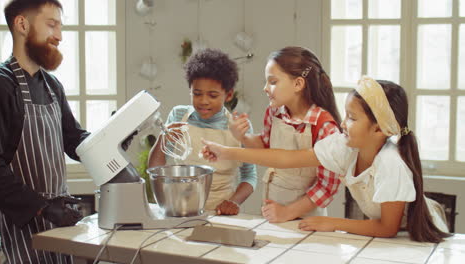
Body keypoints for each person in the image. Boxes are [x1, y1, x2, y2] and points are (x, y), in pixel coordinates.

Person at [201, 76, 450, 242]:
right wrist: (227, 151)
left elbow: (387, 228)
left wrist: (331, 222)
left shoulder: (391, 163)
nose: (343, 123)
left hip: (420, 235)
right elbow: (287, 158)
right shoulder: (346, 146)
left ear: (379, 129)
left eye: (352, 118)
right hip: (393, 235)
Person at [0, 0, 89, 262]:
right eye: (51, 25)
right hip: (23, 225)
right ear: (22, 24)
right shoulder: (1, 86)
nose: (59, 36)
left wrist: (109, 141)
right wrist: (41, 208)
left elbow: (73, 140)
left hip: (58, 221)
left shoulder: (52, 85)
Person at [227, 46, 342, 222]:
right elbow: (265, 145)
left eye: (272, 82)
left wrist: (287, 212)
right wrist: (242, 137)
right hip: (272, 211)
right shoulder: (274, 113)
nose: (265, 88)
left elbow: (327, 186)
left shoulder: (325, 127)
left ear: (298, 84)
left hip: (306, 219)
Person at [148, 48, 257, 215]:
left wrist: (233, 202)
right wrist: (163, 137)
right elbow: (155, 168)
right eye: (197, 94)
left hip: (221, 213)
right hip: (180, 209)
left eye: (212, 95)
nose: (203, 101)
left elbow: (250, 177)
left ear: (228, 95)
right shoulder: (178, 115)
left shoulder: (240, 127)